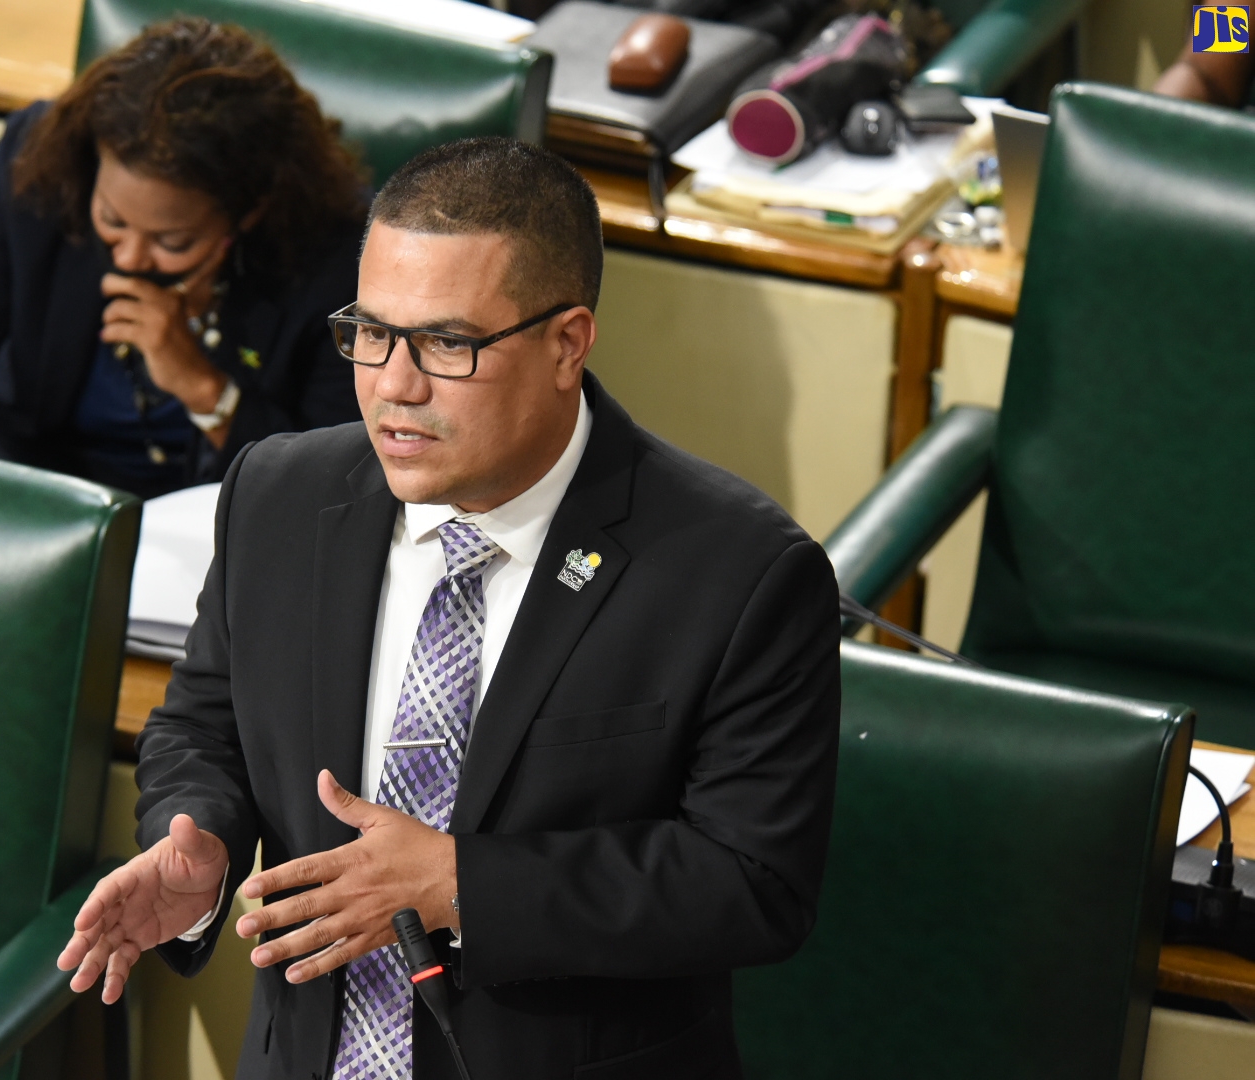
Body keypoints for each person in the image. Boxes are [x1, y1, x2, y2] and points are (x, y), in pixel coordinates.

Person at [58, 138, 841, 1078]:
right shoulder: (280, 494)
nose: (395, 386)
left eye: (446, 344)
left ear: (567, 343)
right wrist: (202, 842)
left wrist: (459, 885)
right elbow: (207, 721)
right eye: (372, 333)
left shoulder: (738, 572)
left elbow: (753, 884)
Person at [0, 18, 369, 497]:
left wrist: (208, 392)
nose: (131, 256)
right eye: (112, 220)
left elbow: (330, 482)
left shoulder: (335, 256)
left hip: (200, 510)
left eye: (173, 241)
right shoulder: (37, 168)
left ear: (249, 212)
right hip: (23, 462)